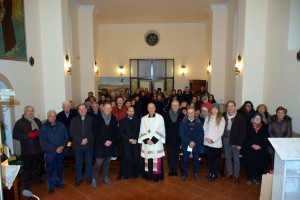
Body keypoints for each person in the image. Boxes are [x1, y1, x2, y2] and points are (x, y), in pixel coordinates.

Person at [13, 106, 43, 190]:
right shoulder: (19, 122)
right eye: (28, 111)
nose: (30, 113)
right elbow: (15, 135)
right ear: (25, 111)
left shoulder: (37, 121)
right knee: (27, 167)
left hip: (38, 148)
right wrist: (28, 135)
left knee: (37, 166)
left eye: (32, 111)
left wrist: (39, 133)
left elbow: (43, 131)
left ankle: (36, 179)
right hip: (27, 149)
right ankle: (27, 182)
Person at [39, 110, 69, 194]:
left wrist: (62, 146)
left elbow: (66, 137)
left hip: (60, 151)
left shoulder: (61, 125)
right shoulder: (44, 127)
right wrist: (55, 149)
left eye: (54, 116)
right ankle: (51, 186)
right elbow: (43, 142)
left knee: (59, 168)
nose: (53, 118)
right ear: (47, 117)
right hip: (50, 152)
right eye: (50, 116)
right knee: (50, 170)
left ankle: (58, 182)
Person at [91, 102, 119, 188]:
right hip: (100, 144)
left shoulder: (113, 118)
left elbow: (115, 131)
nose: (107, 110)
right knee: (99, 162)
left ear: (111, 109)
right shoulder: (96, 118)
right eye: (106, 108)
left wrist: (110, 140)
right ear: (103, 109)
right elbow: (95, 132)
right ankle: (93, 179)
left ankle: (105, 176)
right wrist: (104, 141)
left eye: (109, 108)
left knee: (107, 161)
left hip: (110, 144)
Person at [138, 103, 166, 182]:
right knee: (147, 159)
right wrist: (147, 140)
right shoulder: (143, 118)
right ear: (147, 109)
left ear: (155, 108)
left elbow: (161, 129)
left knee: (156, 158)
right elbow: (142, 130)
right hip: (147, 143)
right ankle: (148, 175)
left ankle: (156, 177)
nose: (151, 109)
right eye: (149, 108)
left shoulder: (160, 118)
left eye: (152, 107)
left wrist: (153, 140)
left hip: (156, 143)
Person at [222, 101, 246, 185]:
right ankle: (229, 173)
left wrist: (240, 143)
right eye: (228, 106)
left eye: (232, 106)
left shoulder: (240, 117)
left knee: (236, 159)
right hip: (225, 139)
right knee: (227, 157)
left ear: (235, 106)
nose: (230, 108)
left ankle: (236, 175)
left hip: (235, 141)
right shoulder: (223, 115)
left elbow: (243, 132)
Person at [70, 104, 94, 186]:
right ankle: (78, 178)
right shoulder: (73, 120)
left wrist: (87, 139)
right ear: (78, 111)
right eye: (80, 109)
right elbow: (72, 132)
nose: (82, 110)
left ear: (86, 110)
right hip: (78, 145)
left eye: (83, 109)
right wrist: (80, 140)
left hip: (89, 145)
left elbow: (93, 132)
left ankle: (88, 177)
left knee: (89, 162)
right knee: (78, 163)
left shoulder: (91, 119)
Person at [179, 106, 204, 181]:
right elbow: (181, 134)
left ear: (194, 113)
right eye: (189, 113)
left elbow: (201, 133)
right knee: (185, 159)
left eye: (192, 113)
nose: (190, 114)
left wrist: (194, 142)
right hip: (186, 144)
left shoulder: (199, 122)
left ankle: (196, 173)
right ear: (186, 113)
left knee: (196, 159)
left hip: (196, 144)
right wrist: (189, 142)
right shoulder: (183, 122)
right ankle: (184, 174)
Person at [244, 112, 269, 185]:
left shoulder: (265, 127)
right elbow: (245, 138)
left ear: (261, 119)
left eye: (259, 118)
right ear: (252, 119)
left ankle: (257, 177)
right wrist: (252, 145)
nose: (257, 119)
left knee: (259, 164)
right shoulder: (247, 126)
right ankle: (249, 177)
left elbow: (267, 139)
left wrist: (260, 146)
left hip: (260, 149)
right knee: (249, 163)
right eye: (256, 118)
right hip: (249, 148)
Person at [203, 103, 225, 181]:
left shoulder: (221, 118)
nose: (214, 110)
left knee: (215, 159)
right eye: (213, 109)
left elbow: (220, 131)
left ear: (218, 110)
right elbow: (205, 128)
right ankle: (211, 172)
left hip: (215, 143)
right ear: (211, 109)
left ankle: (214, 174)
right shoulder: (208, 117)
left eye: (216, 109)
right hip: (207, 142)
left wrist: (212, 140)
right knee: (210, 159)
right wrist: (206, 137)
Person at [119, 106, 141, 179]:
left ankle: (135, 174)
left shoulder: (138, 121)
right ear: (127, 112)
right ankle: (125, 175)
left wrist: (136, 139)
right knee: (126, 158)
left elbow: (140, 132)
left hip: (135, 142)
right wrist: (129, 139)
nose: (131, 112)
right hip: (126, 143)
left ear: (134, 112)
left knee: (135, 158)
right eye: (129, 111)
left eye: (132, 111)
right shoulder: (122, 121)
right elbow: (121, 133)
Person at [164, 100, 184, 176]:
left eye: (176, 105)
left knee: (176, 154)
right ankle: (170, 169)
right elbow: (164, 127)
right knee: (170, 154)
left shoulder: (181, 115)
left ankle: (175, 169)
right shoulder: (166, 114)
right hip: (169, 138)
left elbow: (183, 128)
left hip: (178, 138)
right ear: (171, 106)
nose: (175, 106)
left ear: (179, 106)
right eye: (173, 105)